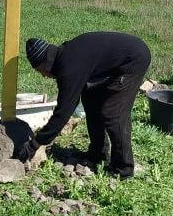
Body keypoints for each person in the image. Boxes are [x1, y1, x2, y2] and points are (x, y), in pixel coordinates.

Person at [16, 32, 151, 179]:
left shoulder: (68, 66)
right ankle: (97, 153)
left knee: (113, 113)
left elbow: (64, 112)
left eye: (40, 71)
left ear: (45, 64)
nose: (44, 76)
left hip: (133, 59)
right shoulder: (64, 55)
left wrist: (35, 143)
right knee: (90, 100)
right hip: (114, 63)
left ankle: (123, 168)